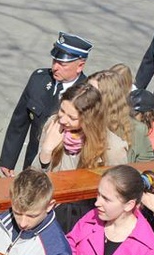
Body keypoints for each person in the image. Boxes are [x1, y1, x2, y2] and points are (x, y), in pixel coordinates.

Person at [36, 83, 128, 232]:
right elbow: (35, 177)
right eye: (62, 111)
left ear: (88, 119)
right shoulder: (53, 125)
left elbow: (118, 192)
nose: (63, 120)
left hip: (88, 220)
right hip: (49, 212)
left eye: (72, 117)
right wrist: (46, 151)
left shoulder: (113, 148)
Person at [0, 32, 92, 177]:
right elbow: (19, 121)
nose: (55, 67)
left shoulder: (87, 93)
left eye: (62, 64)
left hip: (63, 168)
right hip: (33, 162)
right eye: (54, 60)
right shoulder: (39, 80)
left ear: (80, 66)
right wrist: (8, 159)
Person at [88, 70, 154, 162]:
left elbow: (148, 167)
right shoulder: (73, 120)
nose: (85, 95)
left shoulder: (137, 130)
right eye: (85, 89)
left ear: (110, 99)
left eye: (92, 92)